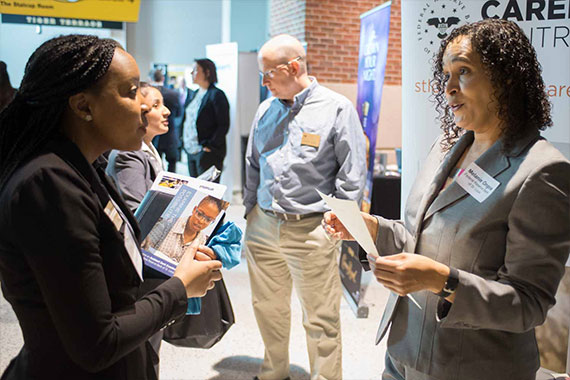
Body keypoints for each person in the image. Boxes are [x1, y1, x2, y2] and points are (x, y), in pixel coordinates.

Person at [324, 19, 570, 380]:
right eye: (446, 75)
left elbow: (528, 305)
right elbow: (420, 239)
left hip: (473, 367)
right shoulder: (446, 149)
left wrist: (444, 282)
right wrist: (372, 229)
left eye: (464, 72)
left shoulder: (542, 170)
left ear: (507, 78)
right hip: (405, 350)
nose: (449, 88)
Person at [0, 35, 222, 380]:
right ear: (83, 107)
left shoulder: (84, 168)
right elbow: (97, 342)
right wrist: (180, 288)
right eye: (132, 92)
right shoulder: (48, 185)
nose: (145, 108)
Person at [244, 34, 367, 380]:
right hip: (264, 225)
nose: (264, 81)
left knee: (320, 316)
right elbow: (253, 162)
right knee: (268, 308)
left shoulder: (337, 108)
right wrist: (251, 210)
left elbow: (352, 174)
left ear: (293, 67)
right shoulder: (265, 109)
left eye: (267, 73)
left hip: (312, 229)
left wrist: (337, 223)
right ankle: (274, 372)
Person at [107, 82, 170, 211]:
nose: (166, 111)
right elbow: (137, 211)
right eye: (156, 106)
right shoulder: (127, 153)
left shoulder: (148, 148)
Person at [182, 58, 229, 179]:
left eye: (196, 70)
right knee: (194, 192)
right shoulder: (195, 94)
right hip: (191, 150)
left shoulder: (217, 95)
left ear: (207, 72)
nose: (192, 73)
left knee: (208, 193)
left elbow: (223, 124)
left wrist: (210, 146)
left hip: (206, 152)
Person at [143, 195, 228, 263]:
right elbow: (144, 250)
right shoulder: (168, 223)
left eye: (208, 220)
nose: (201, 221)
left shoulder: (202, 241)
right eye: (200, 214)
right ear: (194, 210)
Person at [151, 69, 182, 173]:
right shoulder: (173, 94)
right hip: (170, 133)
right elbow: (179, 113)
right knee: (172, 164)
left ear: (150, 79)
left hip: (154, 135)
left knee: (154, 166)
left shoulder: (147, 95)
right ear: (163, 78)